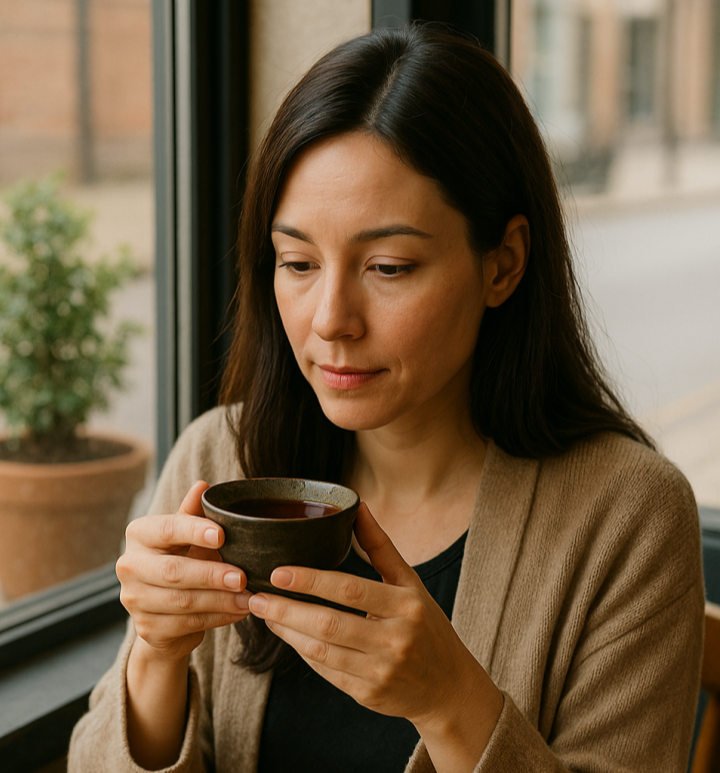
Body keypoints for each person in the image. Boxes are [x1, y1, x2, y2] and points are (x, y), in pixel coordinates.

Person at [68, 23, 704, 773]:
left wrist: (447, 700)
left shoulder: (627, 516)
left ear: (502, 265)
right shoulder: (221, 460)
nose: (330, 318)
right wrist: (155, 652)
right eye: (297, 261)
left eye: (389, 266)